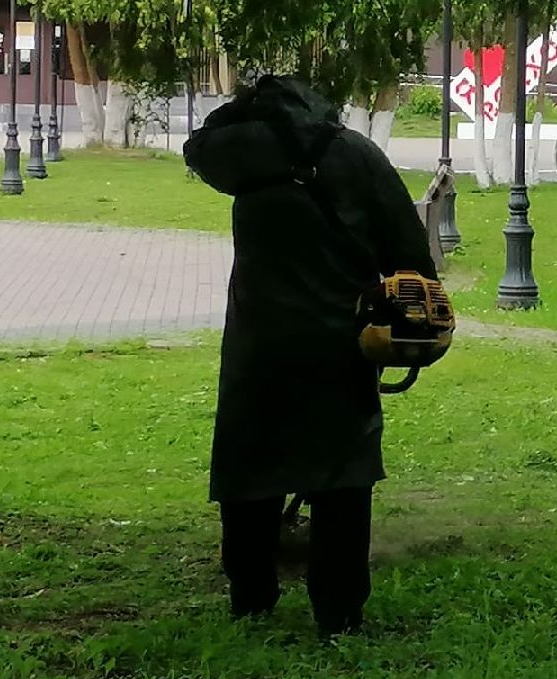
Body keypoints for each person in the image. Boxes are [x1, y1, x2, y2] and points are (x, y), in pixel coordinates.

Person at [184, 74, 437, 636]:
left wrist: (243, 111)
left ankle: (250, 595)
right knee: (342, 475)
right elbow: (410, 253)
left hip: (257, 342)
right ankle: (339, 609)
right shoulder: (354, 154)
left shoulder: (240, 153)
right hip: (340, 341)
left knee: (250, 467)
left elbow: (197, 145)